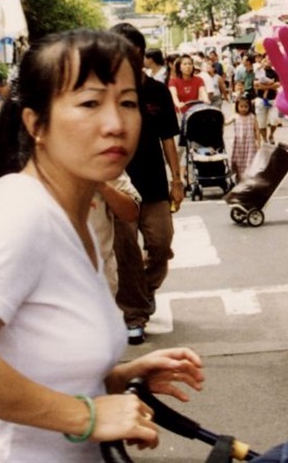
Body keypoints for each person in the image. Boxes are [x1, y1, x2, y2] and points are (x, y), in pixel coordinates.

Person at [0, 29, 205, 461]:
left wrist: (117, 379)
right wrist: (85, 416)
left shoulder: (77, 217)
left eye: (127, 102)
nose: (115, 123)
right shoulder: (21, 212)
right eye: (90, 103)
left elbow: (34, 360)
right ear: (37, 123)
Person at [109, 23, 185, 346]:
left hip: (153, 183)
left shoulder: (157, 92)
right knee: (125, 253)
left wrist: (178, 180)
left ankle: (146, 291)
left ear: (142, 55)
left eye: (134, 55)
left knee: (161, 244)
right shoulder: (105, 91)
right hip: (117, 184)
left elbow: (168, 138)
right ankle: (134, 314)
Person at [228, 96, 260, 181]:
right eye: (241, 106)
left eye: (246, 106)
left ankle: (248, 177)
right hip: (239, 143)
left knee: (250, 159)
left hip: (250, 142)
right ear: (237, 107)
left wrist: (258, 142)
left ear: (249, 107)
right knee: (239, 160)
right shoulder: (235, 116)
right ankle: (239, 176)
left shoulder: (252, 116)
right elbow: (226, 122)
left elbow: (257, 130)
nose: (243, 109)